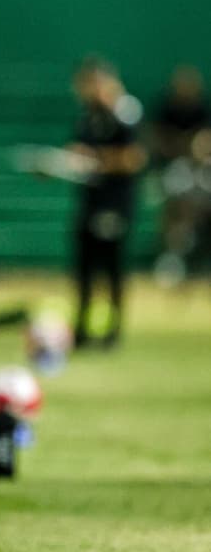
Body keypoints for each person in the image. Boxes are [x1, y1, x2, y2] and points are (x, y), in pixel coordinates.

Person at [69, 57, 147, 349]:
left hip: (114, 204)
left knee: (112, 269)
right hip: (90, 201)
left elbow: (134, 158)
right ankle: (82, 329)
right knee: (85, 269)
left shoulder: (125, 112)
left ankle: (112, 331)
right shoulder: (89, 115)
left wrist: (97, 160)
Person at [149, 65, 211, 284]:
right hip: (172, 168)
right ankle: (173, 258)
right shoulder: (166, 108)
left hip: (201, 170)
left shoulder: (202, 109)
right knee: (177, 204)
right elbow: (157, 139)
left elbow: (204, 141)